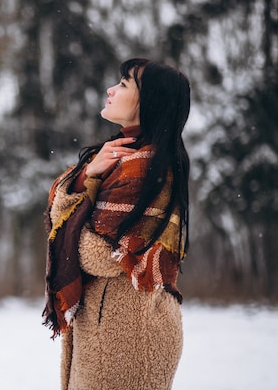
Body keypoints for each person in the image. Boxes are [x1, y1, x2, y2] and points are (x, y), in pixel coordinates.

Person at [42, 58, 190, 390]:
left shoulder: (147, 168)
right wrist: (88, 174)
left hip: (129, 335)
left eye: (123, 84)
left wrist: (81, 200)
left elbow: (102, 255)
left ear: (149, 100)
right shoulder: (119, 159)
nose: (111, 89)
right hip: (107, 325)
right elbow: (63, 219)